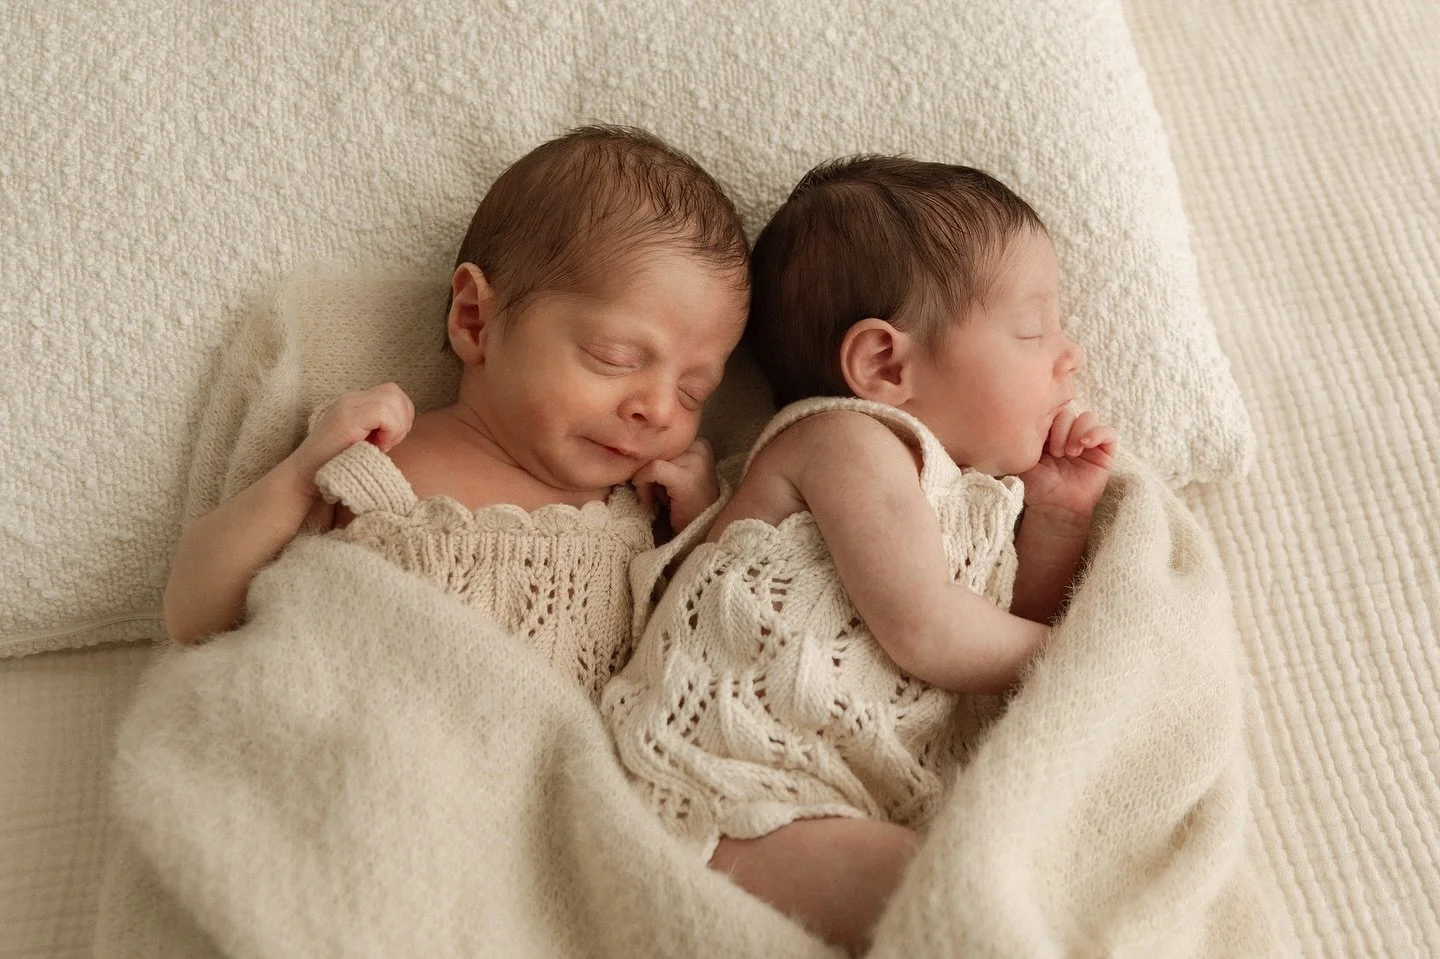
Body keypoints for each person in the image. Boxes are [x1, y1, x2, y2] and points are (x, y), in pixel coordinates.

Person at [601, 156, 1117, 953]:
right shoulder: (847, 440)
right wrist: (1093, 658)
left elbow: (1008, 646)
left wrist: (1055, 514)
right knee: (951, 902)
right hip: (733, 790)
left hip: (835, 804)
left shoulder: (974, 499)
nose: (1069, 354)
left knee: (991, 889)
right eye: (1031, 327)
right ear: (884, 366)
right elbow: (932, 630)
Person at [162, 125, 750, 702]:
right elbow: (193, 614)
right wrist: (296, 479)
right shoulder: (376, 459)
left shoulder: (645, 515)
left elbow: (702, 656)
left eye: (695, 391)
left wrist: (699, 530)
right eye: (615, 357)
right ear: (477, 320)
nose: (659, 409)